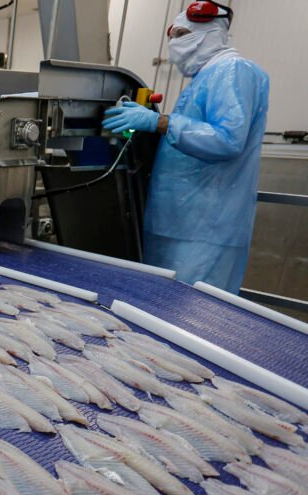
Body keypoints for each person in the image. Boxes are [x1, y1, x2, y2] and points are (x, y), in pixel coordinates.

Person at [102, 1, 268, 293]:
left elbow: (228, 140)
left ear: (212, 33)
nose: (174, 44)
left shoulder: (233, 70)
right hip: (176, 221)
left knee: (193, 310)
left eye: (182, 34)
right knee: (159, 304)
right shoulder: (204, 78)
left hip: (206, 226)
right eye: (172, 36)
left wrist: (159, 122)